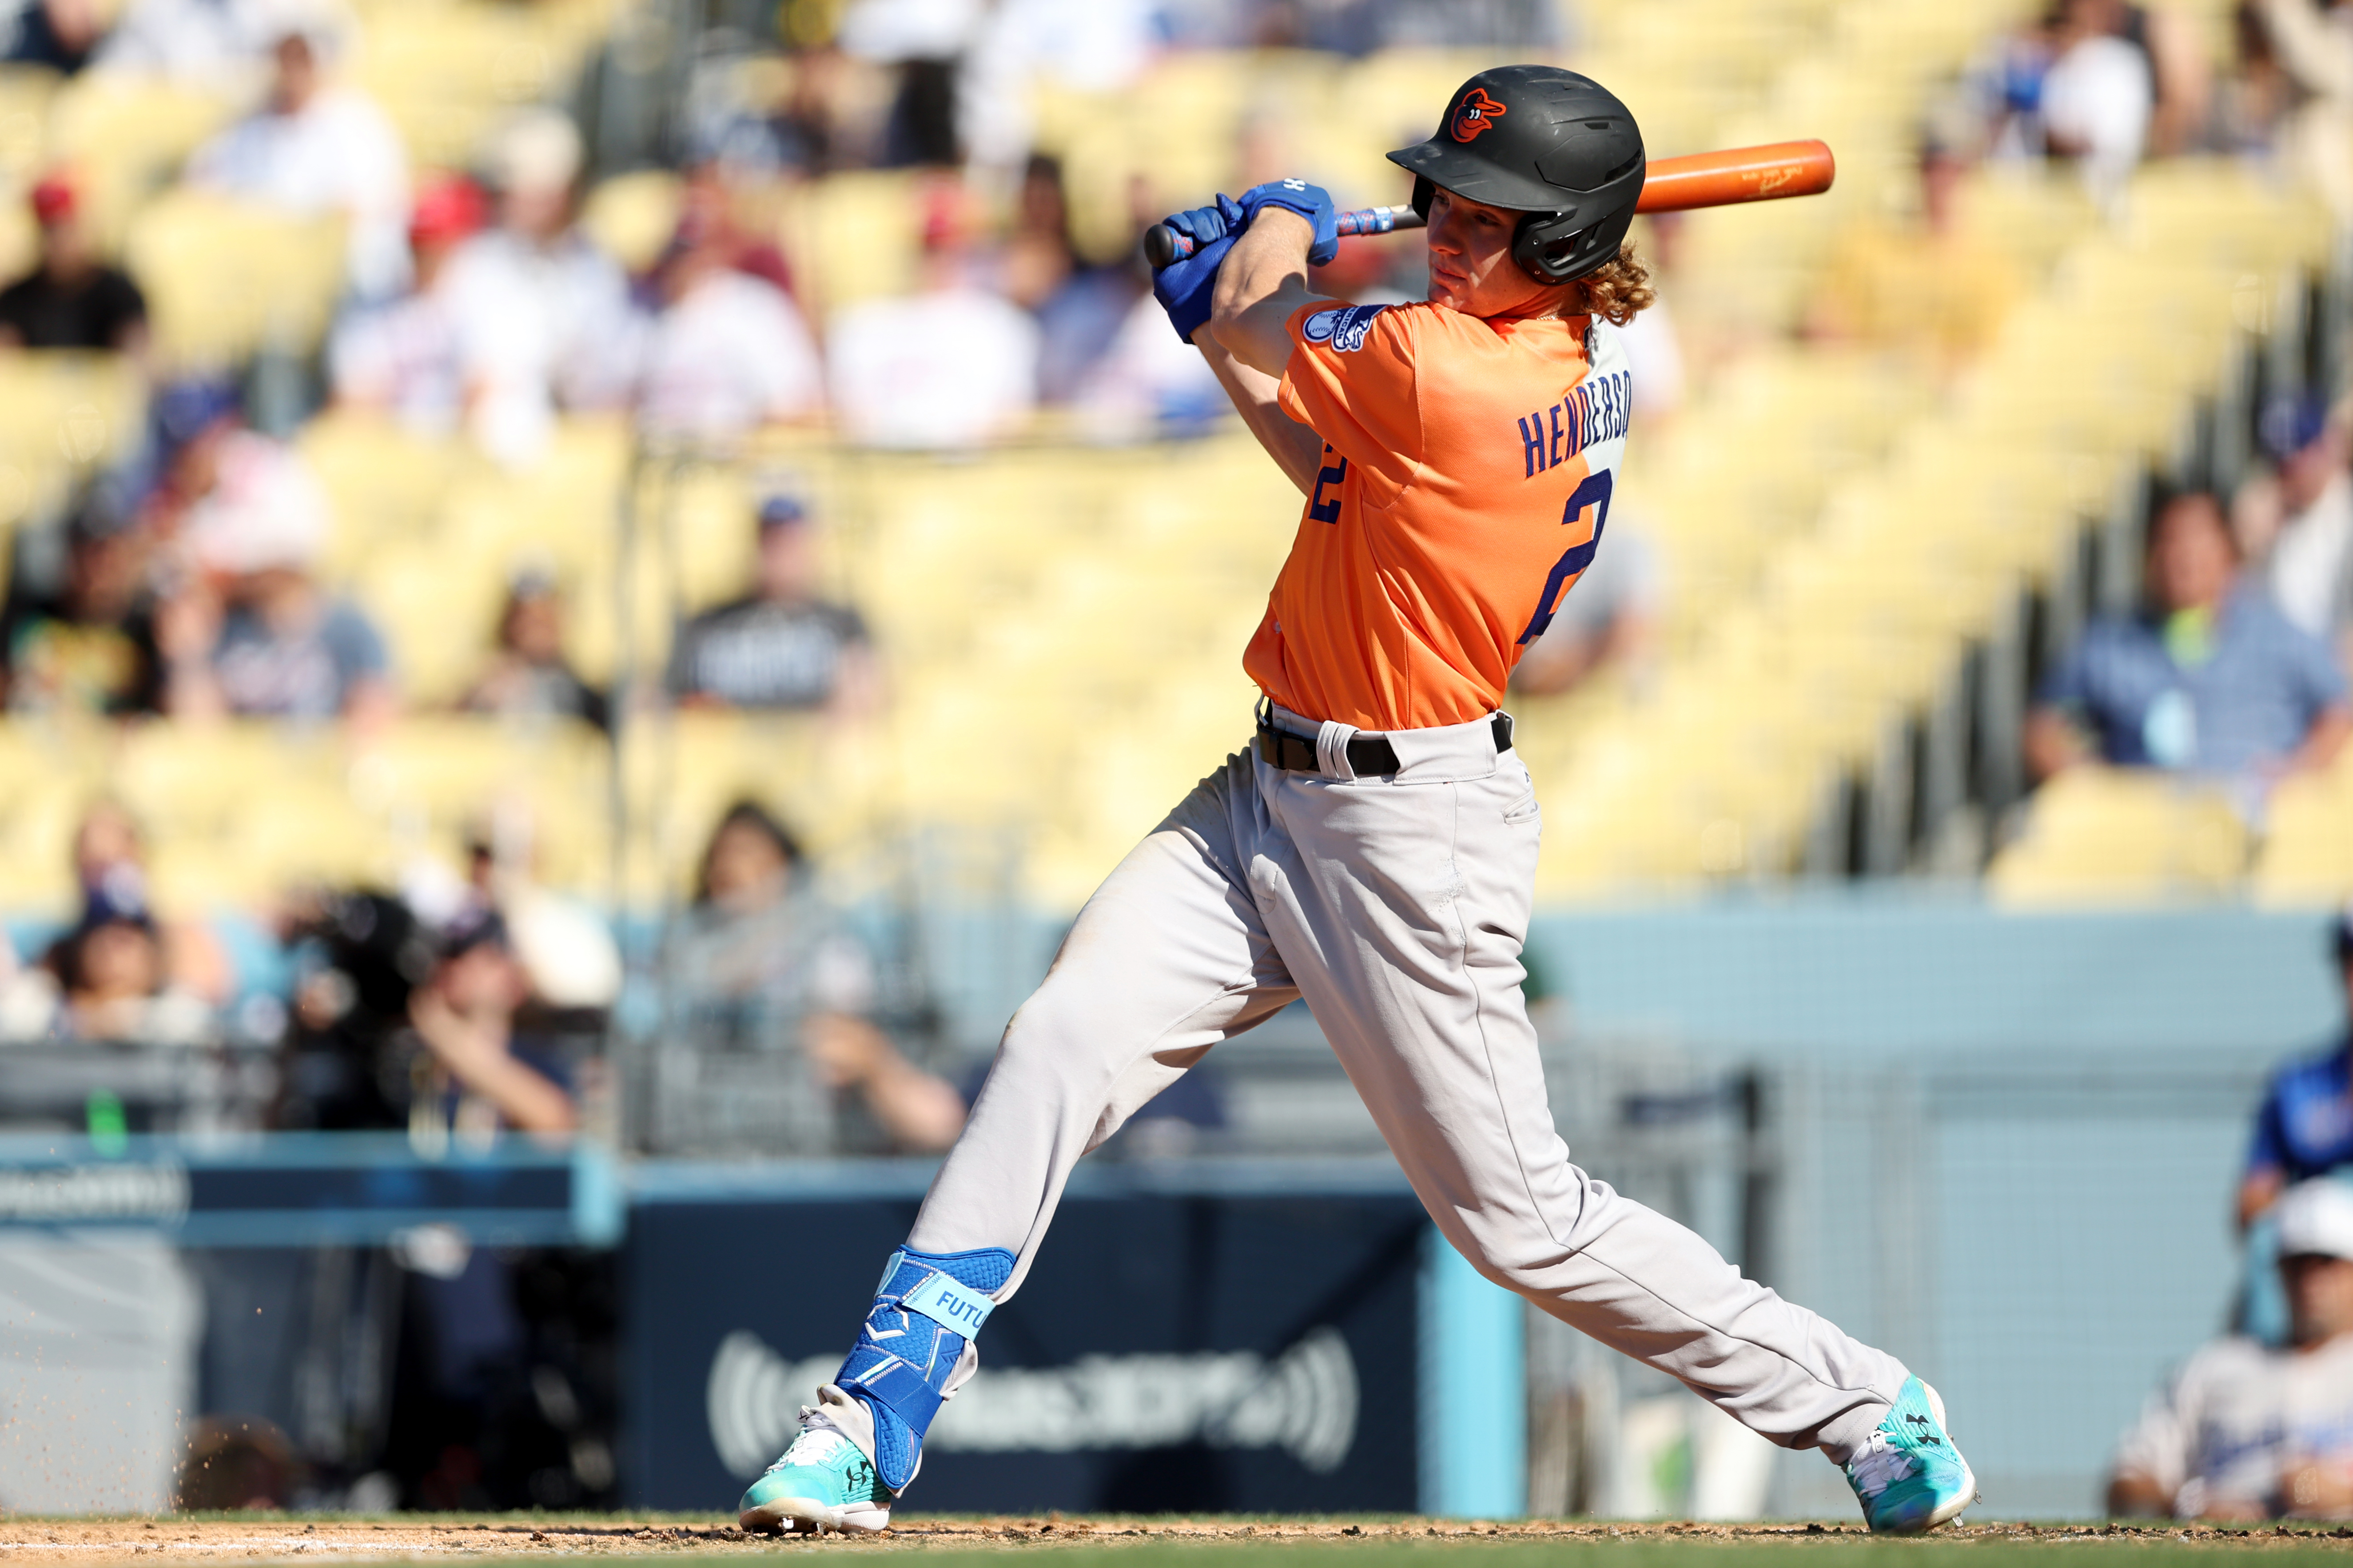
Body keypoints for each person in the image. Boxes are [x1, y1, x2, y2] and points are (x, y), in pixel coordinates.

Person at [731, 67, 1975, 1540]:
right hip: (1268, 793)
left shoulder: (1456, 368)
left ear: (1568, 245)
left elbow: (1275, 320)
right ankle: (863, 1421)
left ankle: (1861, 1403)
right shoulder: (1504, 352)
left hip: (1409, 832)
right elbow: (1323, 457)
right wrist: (1233, 299)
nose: (1447, 224)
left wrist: (1265, 244)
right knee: (1058, 1038)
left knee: (1521, 1225)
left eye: (1489, 214)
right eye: (1440, 198)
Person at [660, 801, 965, 1155]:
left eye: (753, 860)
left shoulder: (829, 953)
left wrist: (865, 1057)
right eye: (721, 863)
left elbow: (936, 1121)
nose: (735, 873)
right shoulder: (687, 969)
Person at [2025, 490, 2351, 785]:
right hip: (2143, 826)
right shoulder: (2110, 640)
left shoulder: (2278, 632)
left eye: (2197, 541)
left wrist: (2301, 770)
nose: (2182, 558)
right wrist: (2091, 782)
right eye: (2169, 541)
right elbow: (2042, 726)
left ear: (2229, 551)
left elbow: (2340, 708)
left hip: (2254, 823)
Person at [2109, 1178, 2353, 1519]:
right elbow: (2124, 1484)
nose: (2310, 1280)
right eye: (2297, 1263)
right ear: (2279, 1271)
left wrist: (2341, 1493)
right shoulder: (2214, 1368)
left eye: (2326, 1262)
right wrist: (2191, 1503)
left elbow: (2315, 1489)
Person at [436, 109, 645, 467]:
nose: (509, 199)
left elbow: (613, 378)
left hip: (582, 448)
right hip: (492, 454)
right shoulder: (479, 263)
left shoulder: (595, 266)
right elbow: (479, 381)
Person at [183, 19, 411, 302]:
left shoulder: (355, 120)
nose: (292, 71)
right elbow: (204, 179)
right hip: (262, 272)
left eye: (301, 59)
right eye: (284, 59)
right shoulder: (252, 123)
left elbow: (374, 201)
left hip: (342, 279)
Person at [825, 180, 1039, 449]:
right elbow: (850, 420)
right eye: (930, 246)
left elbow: (1010, 422)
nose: (940, 258)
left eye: (950, 245)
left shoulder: (1005, 327)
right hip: (884, 475)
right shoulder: (861, 324)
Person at [1807, 140, 2023, 377]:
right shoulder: (1866, 241)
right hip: (1870, 382)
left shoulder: (1993, 267)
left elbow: (1986, 354)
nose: (1940, 182)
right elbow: (1824, 323)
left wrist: (1917, 357)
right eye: (1931, 169)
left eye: (1952, 171)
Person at [666, 493, 879, 716]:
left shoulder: (843, 624)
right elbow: (669, 698)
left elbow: (869, 702)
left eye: (790, 542)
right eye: (771, 541)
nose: (779, 555)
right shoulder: (709, 624)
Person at [633, 210, 825, 444]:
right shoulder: (644, 309)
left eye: (693, 249)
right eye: (676, 252)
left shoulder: (751, 307)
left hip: (735, 461)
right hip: (660, 460)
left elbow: (800, 404)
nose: (684, 263)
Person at [327, 173, 489, 438]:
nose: (427, 254)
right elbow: (351, 400)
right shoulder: (373, 296)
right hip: (393, 444)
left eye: (438, 243)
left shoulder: (485, 287)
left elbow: (484, 389)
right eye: (419, 243)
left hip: (462, 444)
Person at [2238, 909, 2353, 1229]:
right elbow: (2250, 1203)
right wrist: (2316, 1206)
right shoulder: (2297, 1084)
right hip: (2320, 1250)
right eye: (2350, 961)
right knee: (2267, 1244)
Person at [0, 509, 163, 715]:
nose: (98, 570)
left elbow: (171, 709)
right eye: (89, 554)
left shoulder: (147, 628)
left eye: (109, 556)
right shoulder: (27, 614)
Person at [0, 174, 147, 354]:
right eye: (50, 230)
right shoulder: (17, 299)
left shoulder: (120, 294)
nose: (59, 242)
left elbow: (142, 354)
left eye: (66, 229)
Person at [459, 569, 607, 734]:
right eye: (523, 618)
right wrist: (478, 700)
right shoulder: (492, 678)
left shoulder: (576, 686)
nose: (532, 631)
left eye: (541, 620)